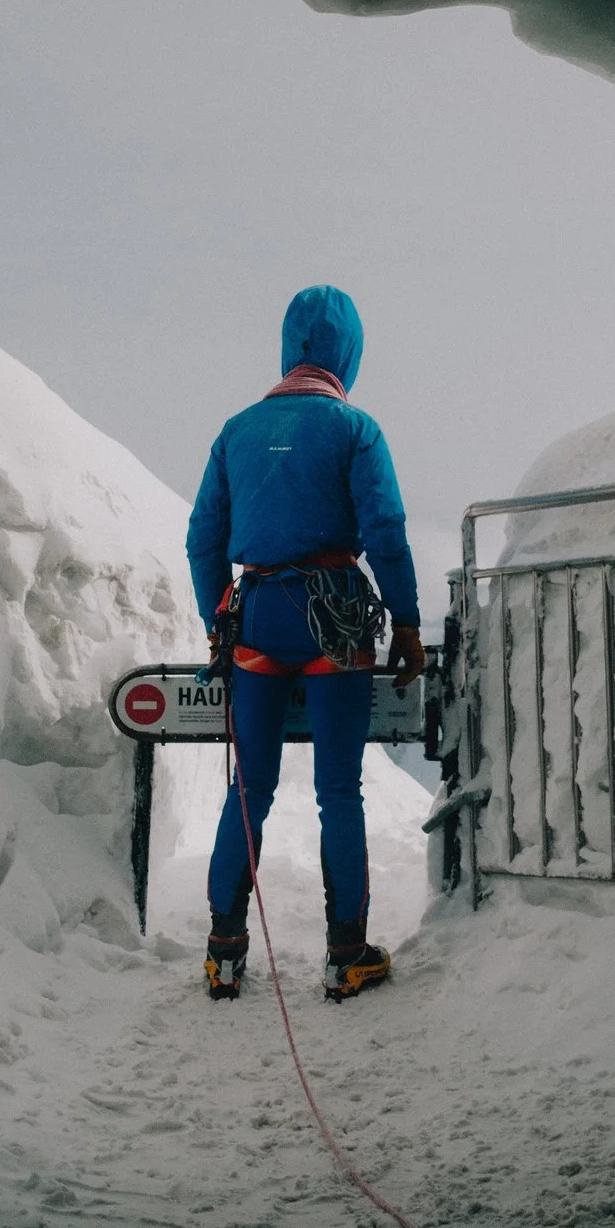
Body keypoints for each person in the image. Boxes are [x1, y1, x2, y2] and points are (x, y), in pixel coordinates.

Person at [186, 285, 425, 1004]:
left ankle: (224, 952)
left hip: (258, 618)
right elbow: (383, 531)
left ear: (289, 348)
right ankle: (345, 954)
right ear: (348, 353)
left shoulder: (236, 430)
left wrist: (215, 620)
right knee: (338, 789)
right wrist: (408, 622)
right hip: (337, 621)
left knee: (250, 785)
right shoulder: (356, 430)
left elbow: (203, 539)